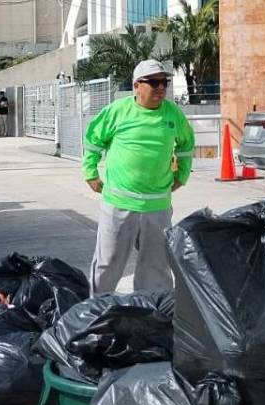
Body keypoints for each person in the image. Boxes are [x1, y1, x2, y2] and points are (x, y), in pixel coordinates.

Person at [82, 59, 194, 296]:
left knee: (156, 268)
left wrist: (182, 175)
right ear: (136, 86)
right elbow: (93, 141)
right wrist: (90, 172)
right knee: (107, 265)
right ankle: (95, 312)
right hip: (119, 203)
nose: (161, 87)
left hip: (157, 206)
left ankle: (153, 314)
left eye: (164, 82)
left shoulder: (173, 113)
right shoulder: (117, 111)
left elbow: (186, 145)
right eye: (153, 82)